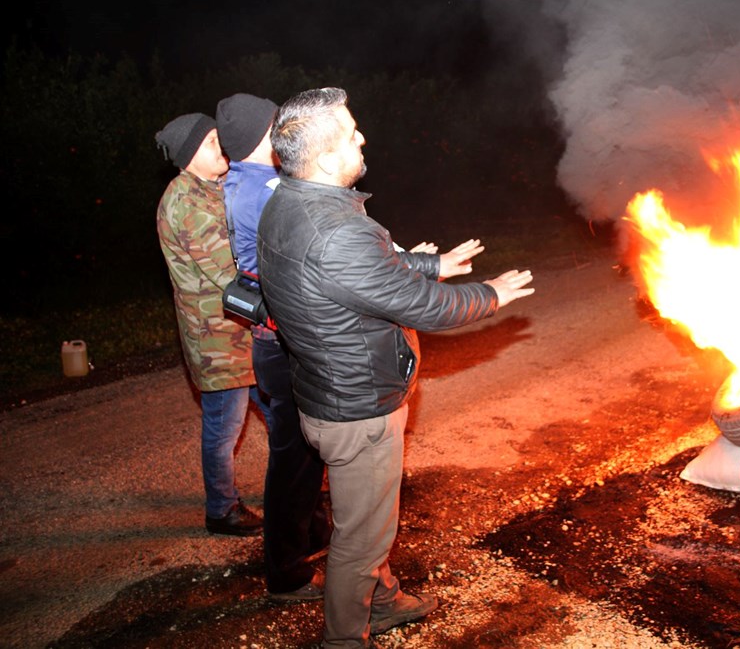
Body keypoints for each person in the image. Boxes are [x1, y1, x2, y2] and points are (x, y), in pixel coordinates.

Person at [256, 86, 535, 648]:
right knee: (360, 536)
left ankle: (382, 601)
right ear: (329, 158)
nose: (362, 138)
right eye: (352, 132)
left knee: (371, 518)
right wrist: (492, 294)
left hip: (328, 393)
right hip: (358, 409)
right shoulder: (337, 230)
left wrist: (434, 262)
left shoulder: (290, 202)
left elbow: (358, 271)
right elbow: (421, 307)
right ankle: (345, 638)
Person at [215, 93, 331, 601]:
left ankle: (308, 538)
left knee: (304, 450)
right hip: (282, 341)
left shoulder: (240, 180)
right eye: (275, 124)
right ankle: (286, 570)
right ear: (264, 133)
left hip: (273, 338)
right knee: (293, 459)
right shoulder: (266, 190)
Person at [154, 112, 271, 537]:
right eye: (210, 144)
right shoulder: (185, 202)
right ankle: (221, 509)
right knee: (225, 428)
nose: (221, 148)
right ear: (188, 156)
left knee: (279, 413)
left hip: (243, 331)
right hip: (218, 340)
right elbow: (229, 272)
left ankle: (299, 485)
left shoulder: (212, 187)